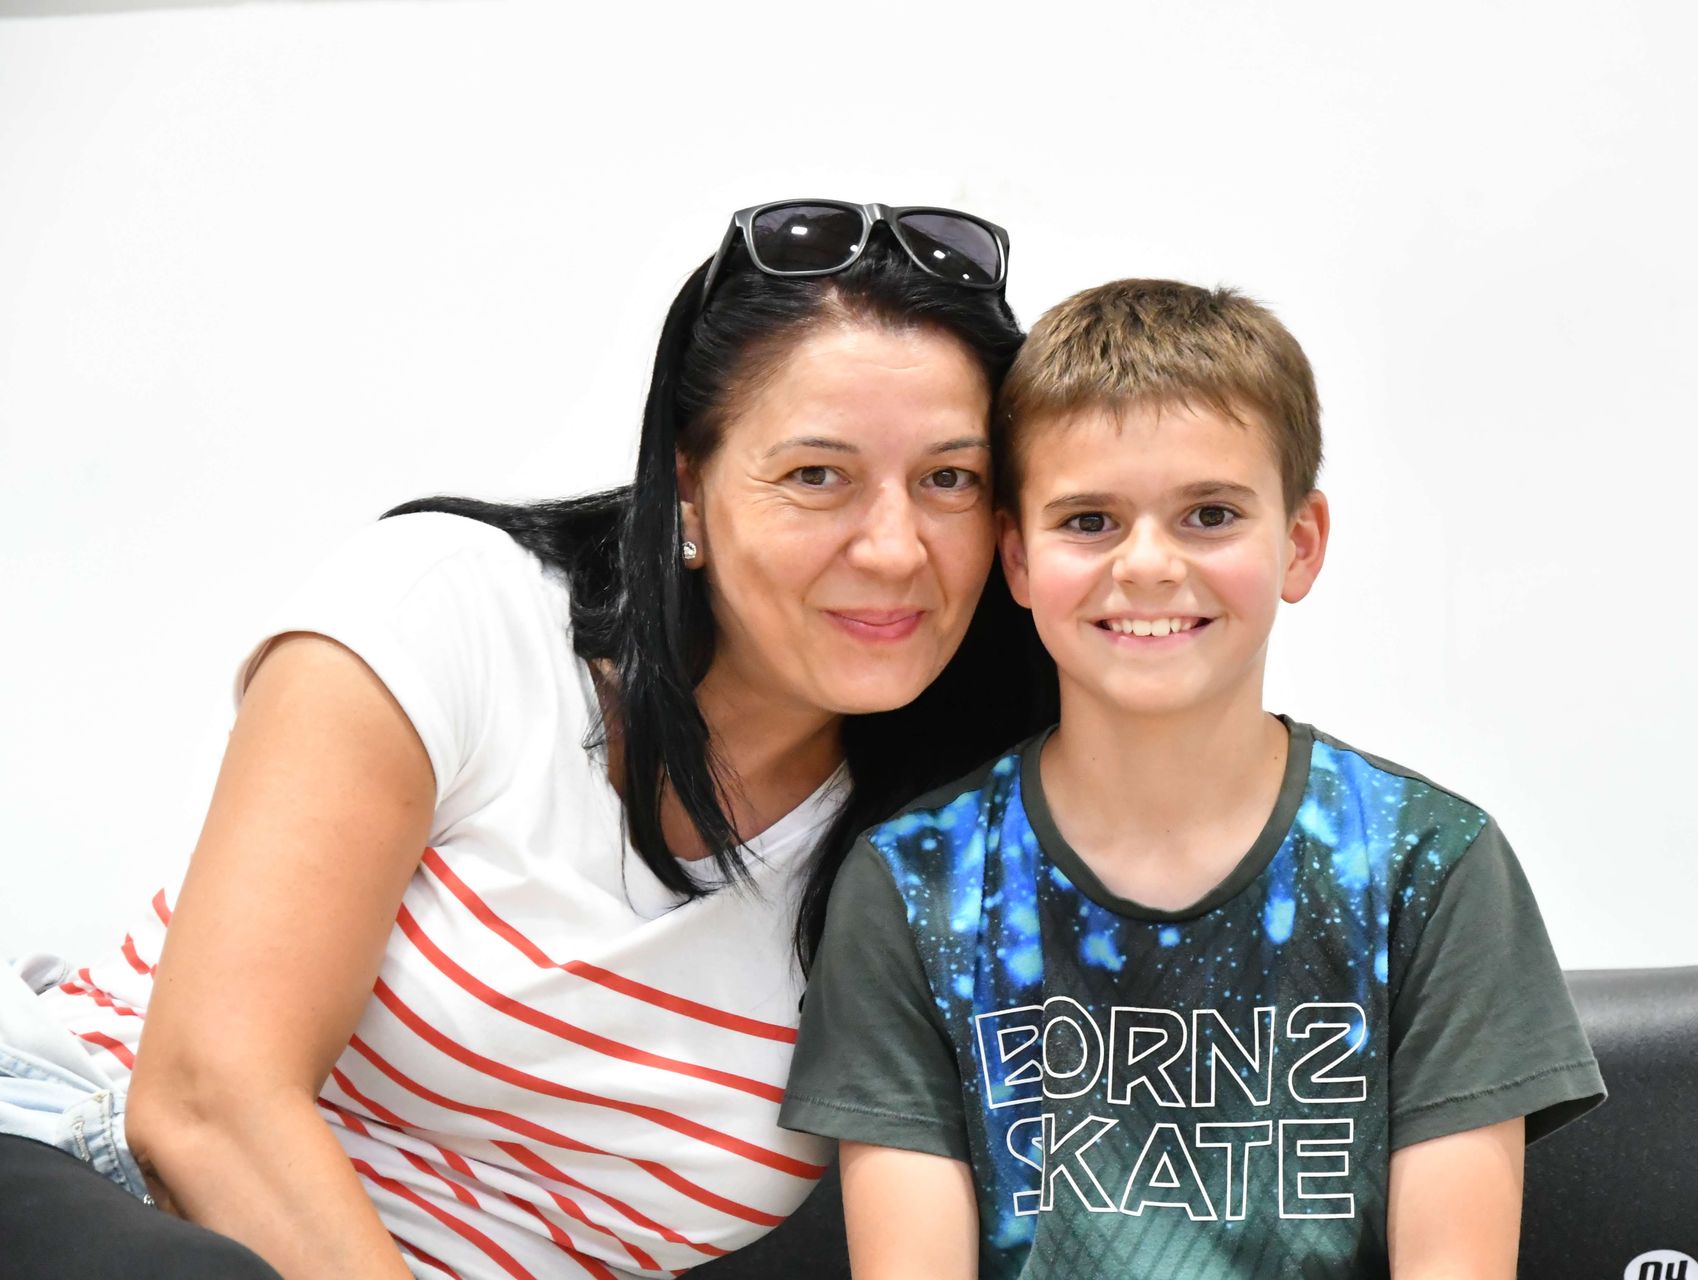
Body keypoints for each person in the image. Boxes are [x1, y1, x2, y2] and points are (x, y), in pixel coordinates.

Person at [0, 201, 1053, 1279]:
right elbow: (204, 1105)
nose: (894, 548)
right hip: (88, 1157)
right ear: (688, 491)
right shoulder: (455, 610)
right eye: (816, 475)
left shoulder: (961, 850)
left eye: (949, 479)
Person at [780, 278, 1609, 1278]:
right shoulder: (914, 883)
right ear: (1016, 557)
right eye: (1089, 520)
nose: (1147, 565)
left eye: (1209, 514)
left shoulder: (1428, 865)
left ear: (1299, 543)